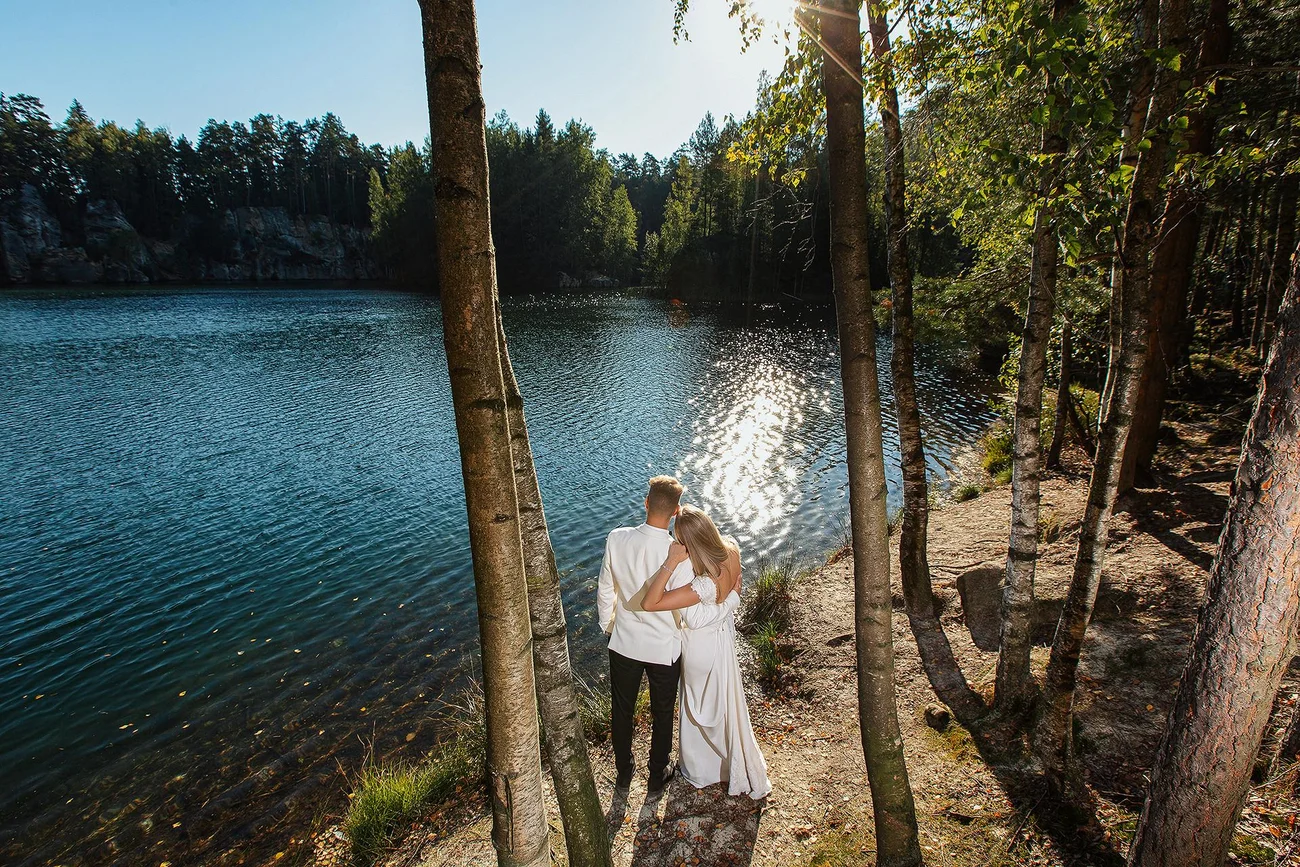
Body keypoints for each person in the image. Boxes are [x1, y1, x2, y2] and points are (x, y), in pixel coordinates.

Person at [597, 476, 739, 792]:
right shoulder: (680, 554)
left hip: (623, 644)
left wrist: (610, 627)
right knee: (663, 713)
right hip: (664, 650)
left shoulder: (616, 539)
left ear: (646, 503)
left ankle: (623, 770)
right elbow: (687, 608)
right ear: (675, 512)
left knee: (622, 710)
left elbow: (607, 590)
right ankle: (657, 774)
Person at [642, 504, 772, 800]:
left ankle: (704, 770)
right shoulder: (732, 550)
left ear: (688, 544)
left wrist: (671, 563)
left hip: (700, 647)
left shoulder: (700, 584)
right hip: (724, 641)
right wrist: (732, 601)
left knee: (699, 708)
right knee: (724, 702)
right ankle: (728, 763)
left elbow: (651, 602)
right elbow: (730, 594)